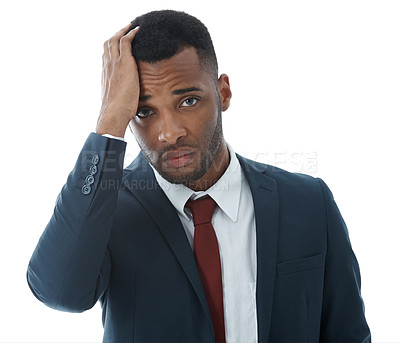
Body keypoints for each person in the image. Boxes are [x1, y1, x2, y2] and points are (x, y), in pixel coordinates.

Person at [27, 9, 371, 342]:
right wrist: (108, 124)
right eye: (144, 111)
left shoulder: (309, 202)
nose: (169, 133)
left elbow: (348, 333)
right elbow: (60, 293)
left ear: (223, 93)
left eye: (188, 101)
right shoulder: (107, 212)